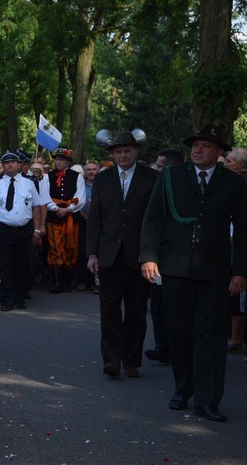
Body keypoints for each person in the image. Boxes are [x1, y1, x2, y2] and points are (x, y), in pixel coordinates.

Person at [140, 124, 247, 422]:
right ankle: (182, 389)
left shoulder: (234, 184)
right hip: (174, 267)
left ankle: (207, 399)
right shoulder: (172, 176)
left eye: (206, 146)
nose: (198, 149)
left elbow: (243, 229)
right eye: (195, 145)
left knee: (211, 337)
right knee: (180, 332)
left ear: (219, 152)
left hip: (215, 271)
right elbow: (153, 218)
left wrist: (241, 270)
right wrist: (148, 257)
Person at [86, 132, 158, 378]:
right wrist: (92, 253)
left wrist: (154, 255)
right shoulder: (103, 179)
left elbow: (157, 219)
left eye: (127, 150)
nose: (123, 155)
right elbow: (94, 218)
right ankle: (112, 359)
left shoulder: (151, 178)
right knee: (109, 308)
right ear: (113, 154)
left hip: (140, 257)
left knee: (137, 310)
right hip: (108, 254)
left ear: (136, 152)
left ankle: (131, 360)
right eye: (118, 152)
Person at [0, 150, 42, 311]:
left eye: (13, 162)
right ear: (2, 165)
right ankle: (6, 300)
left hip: (25, 229)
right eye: (7, 163)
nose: (10, 165)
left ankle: (20, 298)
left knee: (23, 265)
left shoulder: (29, 183)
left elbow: (36, 207)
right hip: (4, 230)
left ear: (19, 164)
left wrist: (37, 229)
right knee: (5, 266)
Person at [144, 148, 184, 364]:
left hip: (178, 259)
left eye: (159, 166)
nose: (155, 169)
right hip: (157, 257)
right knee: (157, 305)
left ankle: (178, 349)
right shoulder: (155, 186)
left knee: (175, 307)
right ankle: (162, 346)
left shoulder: (185, 189)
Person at [45, 147, 86, 293]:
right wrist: (55, 208)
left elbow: (81, 198)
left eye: (61, 159)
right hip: (53, 216)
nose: (59, 162)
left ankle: (68, 281)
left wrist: (67, 209)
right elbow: (44, 196)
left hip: (71, 217)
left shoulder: (77, 176)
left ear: (68, 161)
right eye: (57, 159)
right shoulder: (47, 176)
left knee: (71, 247)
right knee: (56, 247)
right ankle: (58, 282)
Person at [223, 147, 247, 353]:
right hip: (226, 245)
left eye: (228, 161)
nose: (224, 164)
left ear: (239, 165)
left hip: (238, 245)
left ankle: (237, 338)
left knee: (239, 292)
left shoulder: (241, 186)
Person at [77, 161, 99, 292]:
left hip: (97, 222)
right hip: (82, 220)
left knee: (95, 251)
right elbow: (76, 201)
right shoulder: (81, 186)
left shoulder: (102, 185)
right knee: (82, 251)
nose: (91, 172)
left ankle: (94, 282)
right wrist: (85, 216)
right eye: (89, 170)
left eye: (94, 169)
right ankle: (82, 280)